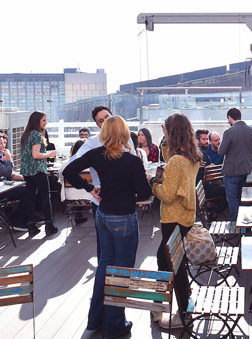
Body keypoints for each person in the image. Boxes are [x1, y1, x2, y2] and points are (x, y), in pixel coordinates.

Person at [64, 116, 151, 339]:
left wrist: (89, 188)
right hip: (124, 218)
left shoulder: (96, 154)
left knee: (104, 265)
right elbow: (144, 193)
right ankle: (115, 326)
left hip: (102, 215)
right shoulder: (132, 161)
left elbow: (68, 171)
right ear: (124, 133)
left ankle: (95, 321)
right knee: (121, 271)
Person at [151, 113, 201, 330]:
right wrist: (166, 140)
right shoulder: (191, 155)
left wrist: (154, 181)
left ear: (172, 133)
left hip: (173, 218)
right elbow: (170, 160)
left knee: (172, 263)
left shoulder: (176, 162)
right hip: (186, 217)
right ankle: (161, 305)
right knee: (168, 260)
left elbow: (166, 194)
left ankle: (182, 313)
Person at [71, 105, 136, 262]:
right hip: (101, 202)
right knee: (105, 254)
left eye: (107, 117)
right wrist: (88, 186)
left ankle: (115, 278)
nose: (106, 122)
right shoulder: (93, 143)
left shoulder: (127, 140)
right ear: (98, 125)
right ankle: (106, 278)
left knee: (124, 254)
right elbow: (70, 165)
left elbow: (135, 168)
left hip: (125, 203)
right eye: (101, 120)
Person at [19, 111, 59, 236]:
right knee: (45, 197)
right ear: (37, 121)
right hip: (38, 170)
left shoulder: (26, 134)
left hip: (26, 170)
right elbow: (36, 155)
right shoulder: (36, 134)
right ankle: (49, 225)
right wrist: (50, 154)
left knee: (30, 197)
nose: (46, 123)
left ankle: (31, 225)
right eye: (44, 120)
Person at [218, 107, 252, 221]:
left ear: (229, 118)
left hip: (231, 171)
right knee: (245, 197)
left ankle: (235, 222)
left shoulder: (229, 132)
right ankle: (246, 221)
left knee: (232, 198)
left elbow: (221, 152)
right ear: (240, 116)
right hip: (246, 170)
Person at [58, 139, 89, 225]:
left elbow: (61, 180)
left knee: (77, 192)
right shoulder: (90, 164)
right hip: (89, 197)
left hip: (69, 197)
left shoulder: (65, 164)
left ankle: (78, 215)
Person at [196, 129, 226, 219]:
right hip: (203, 189)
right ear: (197, 140)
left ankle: (212, 209)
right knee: (230, 190)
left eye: (206, 139)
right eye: (203, 139)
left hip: (200, 188)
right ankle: (215, 211)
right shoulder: (202, 155)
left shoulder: (198, 153)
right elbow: (213, 177)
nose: (206, 141)